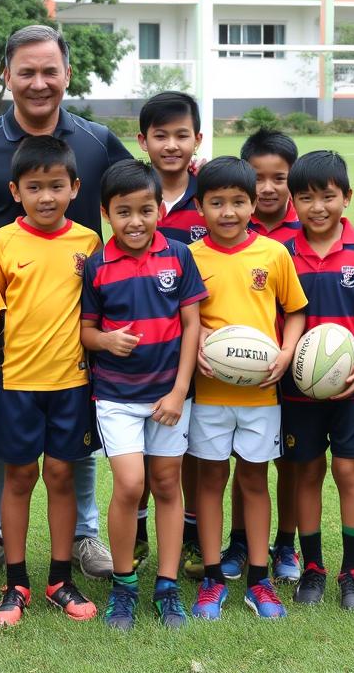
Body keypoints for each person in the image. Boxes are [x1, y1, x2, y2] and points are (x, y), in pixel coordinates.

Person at [0, 24, 128, 584]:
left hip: (81, 325)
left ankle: (83, 535)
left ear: (67, 74)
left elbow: (137, 196)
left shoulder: (97, 142)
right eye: (25, 71)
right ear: (7, 76)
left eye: (49, 71)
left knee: (73, 443)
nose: (38, 83)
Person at [81, 159, 207, 630]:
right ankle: (124, 585)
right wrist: (107, 341)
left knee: (168, 484)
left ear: (159, 209)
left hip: (168, 397)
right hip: (116, 395)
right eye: (124, 212)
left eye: (146, 210)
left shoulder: (179, 256)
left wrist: (178, 391)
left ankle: (168, 586)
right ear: (106, 213)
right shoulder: (97, 265)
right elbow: (86, 331)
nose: (136, 221)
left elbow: (192, 325)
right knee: (131, 484)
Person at [0, 136, 101, 626]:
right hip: (17, 382)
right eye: (35, 187)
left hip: (72, 382)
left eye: (57, 185)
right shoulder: (0, 243)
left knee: (60, 474)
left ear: (75, 187)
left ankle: (59, 578)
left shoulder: (88, 242)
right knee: (19, 476)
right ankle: (16, 583)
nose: (46, 196)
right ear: (16, 190)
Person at [187, 157, 307, 621]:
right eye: (216, 203)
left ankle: (260, 579)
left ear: (254, 204)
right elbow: (188, 316)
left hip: (261, 395)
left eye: (238, 202)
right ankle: (213, 577)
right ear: (200, 207)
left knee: (255, 479)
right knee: (212, 479)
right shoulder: (191, 257)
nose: (228, 212)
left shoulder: (274, 254)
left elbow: (294, 310)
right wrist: (198, 346)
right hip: (210, 393)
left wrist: (285, 352)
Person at [281, 150, 354, 610]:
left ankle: (352, 573)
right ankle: (312, 568)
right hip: (299, 387)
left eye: (327, 196)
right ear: (293, 203)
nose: (317, 207)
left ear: (346, 197)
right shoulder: (284, 252)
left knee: (348, 469)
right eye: (306, 197)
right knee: (306, 471)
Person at [220, 128, 302, 584]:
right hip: (240, 370)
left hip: (297, 365)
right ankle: (239, 541)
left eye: (279, 178)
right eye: (259, 178)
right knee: (243, 461)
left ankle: (285, 543)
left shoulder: (303, 226)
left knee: (289, 461)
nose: (268, 188)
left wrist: (294, 352)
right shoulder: (232, 224)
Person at [135, 91, 206, 579]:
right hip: (147, 349)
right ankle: (139, 534)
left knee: (194, 449)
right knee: (141, 447)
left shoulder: (213, 192)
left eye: (182, 135)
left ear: (198, 140)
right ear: (143, 141)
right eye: (161, 135)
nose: (172, 145)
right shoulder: (133, 195)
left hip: (210, 346)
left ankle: (196, 536)